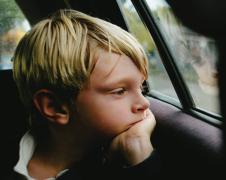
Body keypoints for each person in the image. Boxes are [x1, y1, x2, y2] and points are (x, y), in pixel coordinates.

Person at [7, 9, 160, 179]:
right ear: (55, 106)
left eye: (142, 88)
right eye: (120, 91)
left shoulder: (115, 161)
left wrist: (137, 144)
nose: (145, 103)